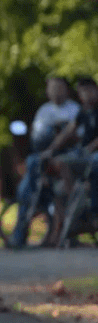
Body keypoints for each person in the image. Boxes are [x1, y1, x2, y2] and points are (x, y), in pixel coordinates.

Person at [8, 75, 82, 247]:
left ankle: (67, 231)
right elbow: (36, 138)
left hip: (66, 156)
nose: (55, 91)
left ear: (66, 89)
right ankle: (20, 232)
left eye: (59, 87)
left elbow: (77, 136)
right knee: (25, 188)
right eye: (52, 88)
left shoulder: (74, 110)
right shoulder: (44, 111)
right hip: (43, 158)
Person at [44, 76, 98, 237]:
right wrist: (51, 148)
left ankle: (85, 203)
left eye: (89, 91)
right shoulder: (83, 111)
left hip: (93, 156)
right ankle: (72, 195)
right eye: (82, 92)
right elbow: (68, 131)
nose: (86, 96)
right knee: (57, 167)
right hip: (85, 155)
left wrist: (90, 147)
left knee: (86, 164)